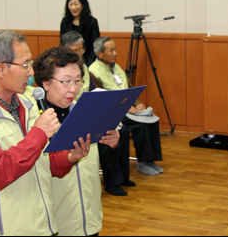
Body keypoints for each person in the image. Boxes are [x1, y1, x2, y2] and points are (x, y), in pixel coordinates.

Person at [0, 31, 90, 235]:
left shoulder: (26, 103)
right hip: (4, 229)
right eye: (25, 65)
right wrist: (39, 133)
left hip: (41, 224)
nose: (31, 72)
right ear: (0, 69)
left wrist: (69, 157)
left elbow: (40, 163)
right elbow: (1, 171)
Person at [34, 46, 122, 234]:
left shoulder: (86, 113)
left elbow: (103, 164)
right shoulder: (34, 122)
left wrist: (112, 145)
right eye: (66, 81)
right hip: (55, 223)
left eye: (77, 81)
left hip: (89, 218)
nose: (73, 88)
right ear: (46, 83)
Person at [61, 31, 136, 196]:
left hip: (90, 109)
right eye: (75, 50)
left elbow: (93, 88)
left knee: (119, 131)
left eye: (81, 49)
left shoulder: (84, 67)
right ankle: (112, 182)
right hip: (73, 113)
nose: (79, 54)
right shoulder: (60, 70)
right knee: (104, 135)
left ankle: (123, 176)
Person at [90, 37, 164, 176]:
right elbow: (102, 99)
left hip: (128, 108)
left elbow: (130, 88)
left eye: (115, 49)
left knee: (151, 118)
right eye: (110, 50)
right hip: (112, 112)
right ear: (100, 54)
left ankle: (150, 160)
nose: (115, 53)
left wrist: (138, 104)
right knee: (140, 124)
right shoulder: (93, 71)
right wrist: (127, 109)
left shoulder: (116, 67)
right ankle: (143, 162)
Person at [60, 0, 100, 66]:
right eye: (70, 4)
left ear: (83, 4)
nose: (73, 7)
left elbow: (94, 47)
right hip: (69, 61)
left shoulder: (92, 22)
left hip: (88, 62)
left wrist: (86, 64)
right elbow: (63, 46)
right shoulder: (65, 22)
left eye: (76, 4)